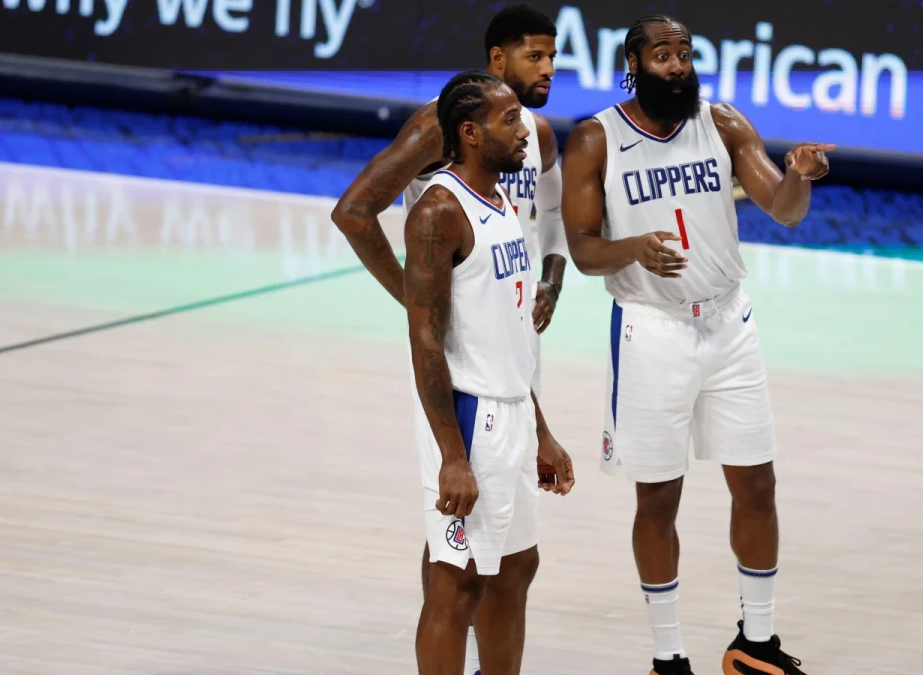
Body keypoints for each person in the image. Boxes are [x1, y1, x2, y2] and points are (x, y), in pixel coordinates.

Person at [560, 14, 833, 675]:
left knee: (759, 484)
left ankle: (754, 642)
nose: (677, 65)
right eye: (662, 55)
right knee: (658, 498)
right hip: (653, 331)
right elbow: (582, 249)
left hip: (730, 325)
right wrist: (635, 251)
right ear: (634, 62)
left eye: (684, 53)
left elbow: (785, 208)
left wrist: (799, 174)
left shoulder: (724, 123)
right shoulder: (595, 139)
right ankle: (668, 655)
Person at [330, 6, 568, 673]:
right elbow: (353, 211)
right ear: (497, 61)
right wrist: (414, 297)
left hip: (512, 361)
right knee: (455, 570)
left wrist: (551, 270)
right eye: (533, 56)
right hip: (464, 373)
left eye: (553, 57)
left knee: (514, 564)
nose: (546, 69)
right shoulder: (438, 156)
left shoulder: (534, 138)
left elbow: (549, 213)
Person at [405, 69, 574, 675]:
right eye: (509, 122)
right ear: (471, 133)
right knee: (457, 584)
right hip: (469, 417)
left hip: (514, 411)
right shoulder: (438, 212)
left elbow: (512, 334)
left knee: (517, 567)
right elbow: (423, 340)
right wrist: (452, 454)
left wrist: (542, 428)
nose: (522, 130)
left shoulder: (503, 203)